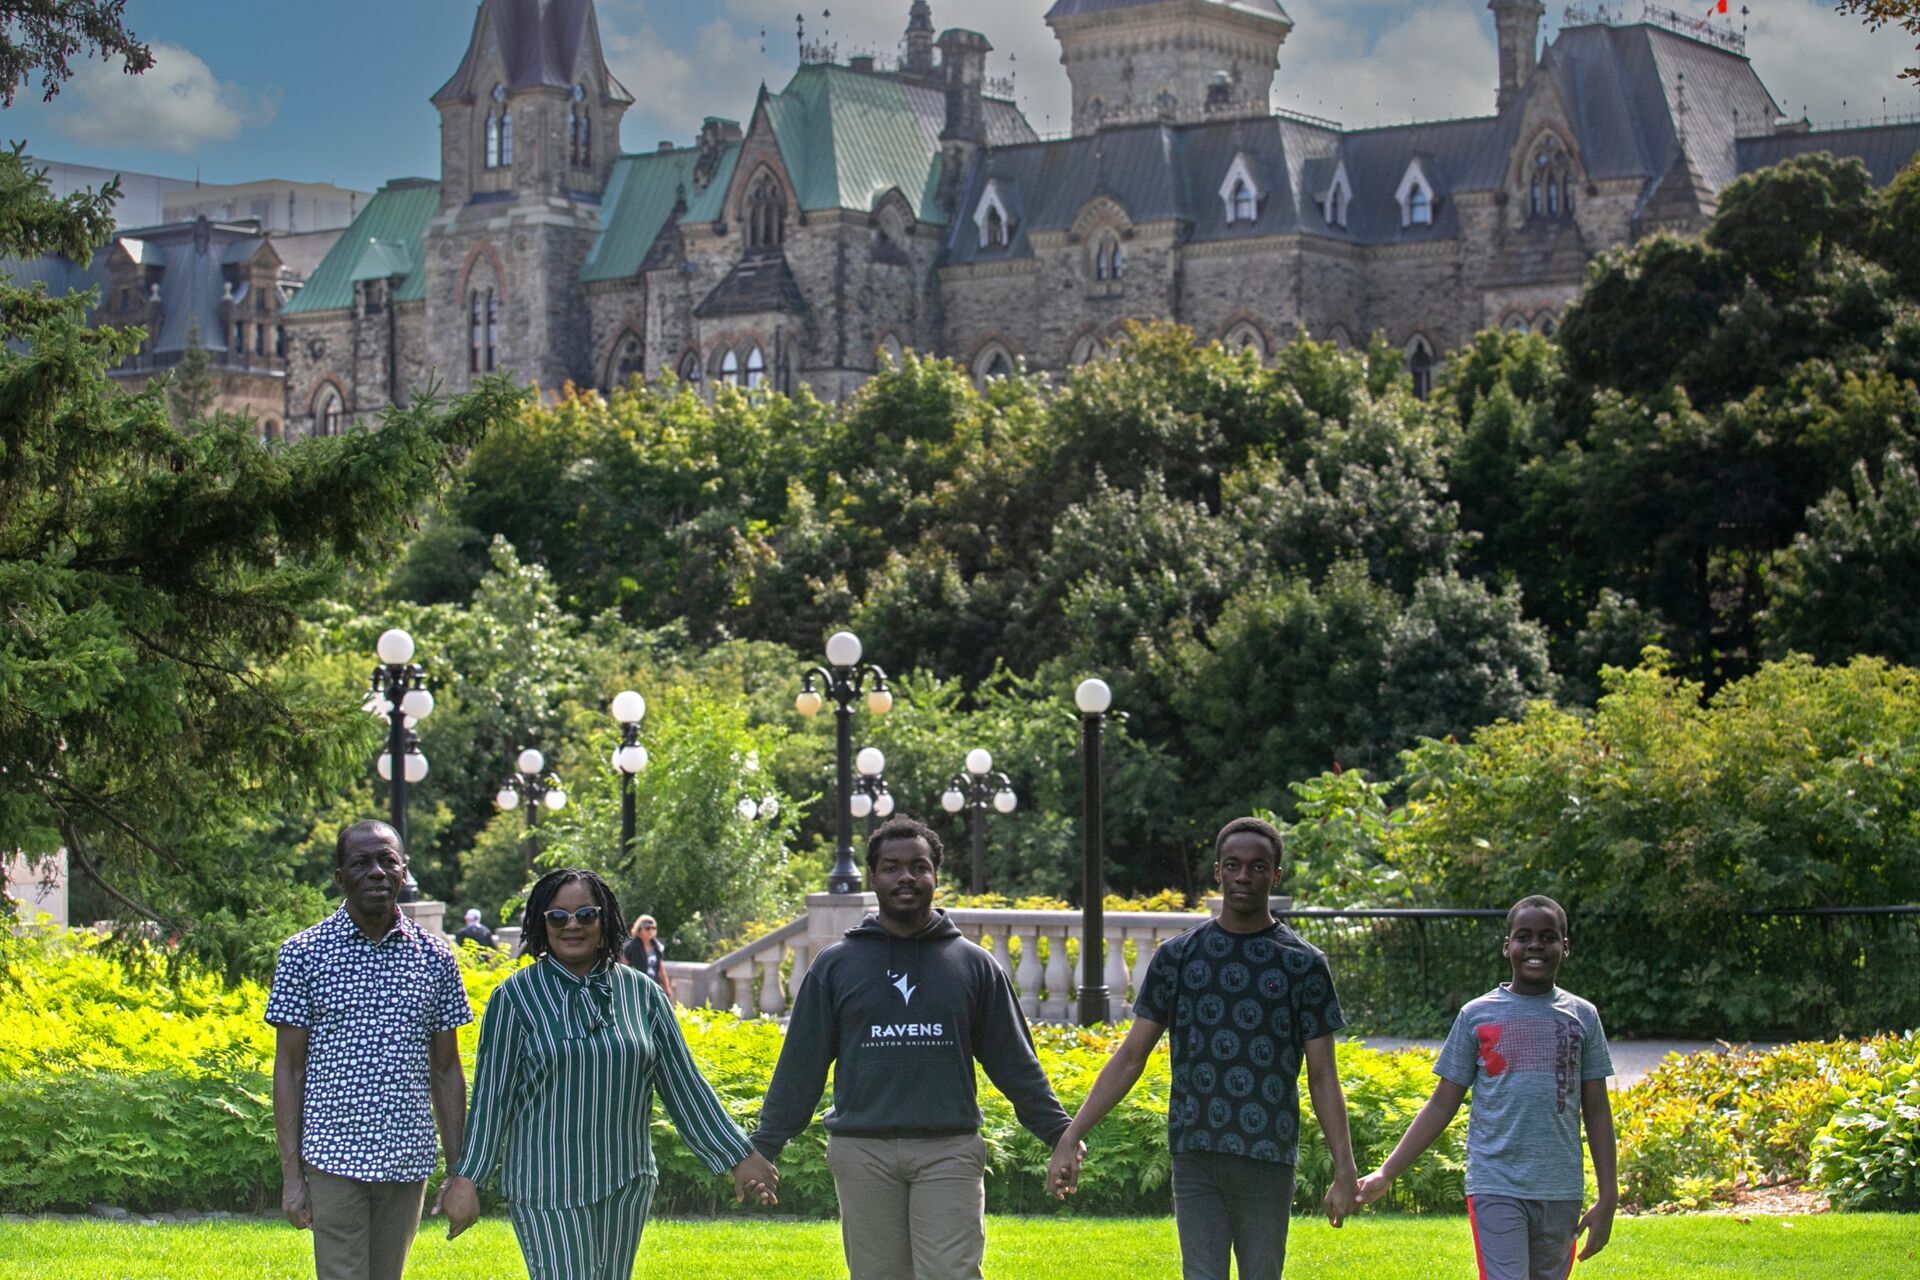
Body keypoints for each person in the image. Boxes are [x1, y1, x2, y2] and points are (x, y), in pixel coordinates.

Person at [751, 816, 1079, 1280]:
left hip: (949, 1149)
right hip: (863, 1151)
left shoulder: (972, 965)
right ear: (873, 878)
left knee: (953, 1273)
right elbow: (801, 1067)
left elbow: (1015, 1064)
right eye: (892, 867)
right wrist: (764, 1145)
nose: (906, 877)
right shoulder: (836, 965)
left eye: (919, 867)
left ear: (935, 876)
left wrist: (1059, 1135)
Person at [1046, 817, 1360, 1280]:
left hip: (1267, 1156)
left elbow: (1323, 1076)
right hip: (1196, 1152)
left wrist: (1344, 1168)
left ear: (1275, 876)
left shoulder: (1302, 965)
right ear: (1217, 871)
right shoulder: (1179, 957)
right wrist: (1070, 1136)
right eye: (1232, 865)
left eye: (1258, 867)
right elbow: (1132, 1056)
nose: (1243, 876)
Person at [439, 868, 777, 1280]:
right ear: (541, 925)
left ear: (606, 920)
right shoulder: (515, 999)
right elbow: (492, 1101)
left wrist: (738, 1154)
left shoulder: (642, 994)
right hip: (547, 1186)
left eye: (585, 914)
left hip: (626, 1181)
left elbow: (684, 1086)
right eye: (557, 917)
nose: (572, 926)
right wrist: (467, 1178)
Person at [1355, 895, 1617, 1280]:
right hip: (1496, 1184)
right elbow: (1441, 1104)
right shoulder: (1477, 1015)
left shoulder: (1583, 1016)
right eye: (1523, 936)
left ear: (1565, 947)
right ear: (1506, 945)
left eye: (1547, 937)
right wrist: (1387, 1172)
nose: (1534, 946)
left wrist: (1608, 1197)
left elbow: (1596, 1110)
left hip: (1560, 1189)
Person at [266, 820, 471, 1280]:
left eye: (387, 861)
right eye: (361, 863)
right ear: (340, 877)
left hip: (407, 1160)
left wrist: (459, 1170)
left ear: (404, 872)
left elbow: (446, 1070)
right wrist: (292, 1178)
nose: (377, 872)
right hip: (332, 1157)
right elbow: (289, 1069)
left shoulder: (436, 958)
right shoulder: (303, 954)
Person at [621, 913, 676, 1001]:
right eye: (647, 928)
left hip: (654, 987)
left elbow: (661, 970)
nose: (651, 930)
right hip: (637, 987)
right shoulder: (631, 947)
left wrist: (667, 988)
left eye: (653, 928)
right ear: (639, 930)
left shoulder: (657, 947)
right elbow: (623, 968)